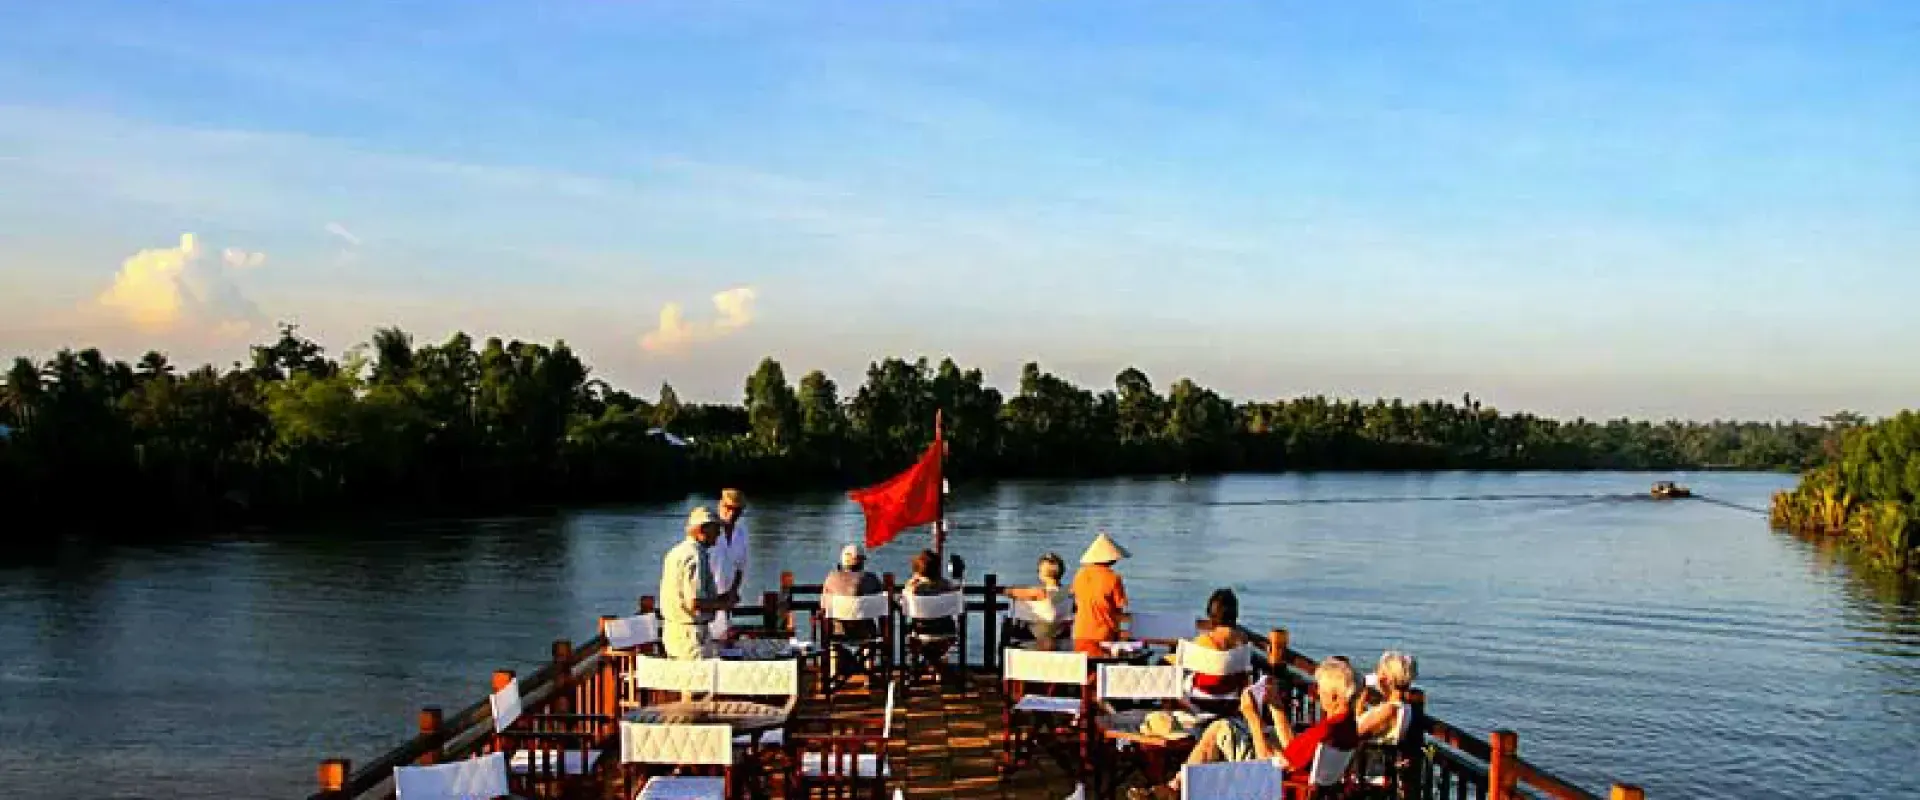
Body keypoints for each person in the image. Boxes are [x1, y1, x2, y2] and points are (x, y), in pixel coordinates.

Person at [1135, 659, 1360, 799]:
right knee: (1227, 729)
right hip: (1295, 780)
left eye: (1318, 689)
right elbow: (1292, 751)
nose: (1315, 693)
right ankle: (1174, 787)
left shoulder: (1326, 731)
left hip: (1273, 783)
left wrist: (1252, 716)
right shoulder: (1345, 727)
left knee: (1220, 728)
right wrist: (1277, 709)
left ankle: (1175, 788)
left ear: (1334, 696)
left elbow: (1266, 762)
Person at [659, 507, 738, 660]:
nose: (719, 533)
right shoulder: (696, 556)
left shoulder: (676, 552)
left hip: (674, 632)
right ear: (703, 529)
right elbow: (694, 603)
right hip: (690, 635)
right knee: (699, 681)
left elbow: (683, 597)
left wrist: (721, 598)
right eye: (716, 528)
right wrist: (725, 604)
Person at [1356, 651, 1423, 796]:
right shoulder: (1405, 707)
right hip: (1381, 768)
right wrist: (1362, 699)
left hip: (1370, 771)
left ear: (1387, 679)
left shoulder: (1389, 709)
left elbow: (1355, 731)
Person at [820, 543, 886, 675]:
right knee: (868, 625)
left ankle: (834, 674)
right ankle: (869, 672)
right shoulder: (871, 579)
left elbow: (823, 605)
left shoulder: (831, 578)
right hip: (866, 632)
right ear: (861, 562)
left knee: (834, 632)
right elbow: (883, 603)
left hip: (838, 633)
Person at [1071, 531, 1131, 656]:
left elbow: (1076, 598)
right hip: (1104, 631)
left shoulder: (1080, 575)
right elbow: (1120, 606)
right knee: (1101, 667)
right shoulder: (1113, 578)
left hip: (1081, 630)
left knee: (1084, 669)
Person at [1183, 588, 1252, 697]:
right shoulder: (1242, 639)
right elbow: (1244, 675)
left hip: (1199, 697)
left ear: (1210, 612)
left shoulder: (1202, 640)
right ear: (1235, 613)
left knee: (1175, 670)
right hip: (1230, 697)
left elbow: (1186, 663)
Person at [1004, 552, 1072, 650]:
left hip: (1031, 638)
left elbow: (1009, 592)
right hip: (1059, 637)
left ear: (1041, 573)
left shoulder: (1039, 593)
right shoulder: (1067, 592)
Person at [902, 549, 959, 636]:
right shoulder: (947, 586)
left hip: (919, 632)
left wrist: (914, 579)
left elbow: (902, 603)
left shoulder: (913, 588)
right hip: (946, 633)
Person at [711, 488, 751, 599]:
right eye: (728, 508)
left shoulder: (741, 533)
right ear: (720, 506)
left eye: (737, 509)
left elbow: (740, 567)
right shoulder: (708, 531)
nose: (732, 513)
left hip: (727, 598)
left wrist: (733, 591)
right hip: (706, 597)